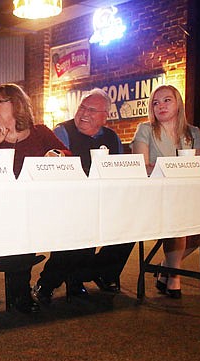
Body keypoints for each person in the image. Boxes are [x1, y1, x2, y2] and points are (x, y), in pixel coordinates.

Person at [0, 83, 71, 313]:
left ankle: (45, 282)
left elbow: (68, 156)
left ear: (17, 104)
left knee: (75, 229)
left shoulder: (40, 132)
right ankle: (19, 289)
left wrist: (55, 154)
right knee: (16, 222)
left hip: (40, 204)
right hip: (1, 207)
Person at [32, 88, 135, 304]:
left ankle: (92, 274)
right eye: (82, 107)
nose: (84, 113)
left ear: (104, 116)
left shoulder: (112, 137)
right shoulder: (63, 132)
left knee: (131, 227)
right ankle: (49, 281)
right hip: (68, 201)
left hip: (103, 200)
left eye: (92, 110)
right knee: (80, 227)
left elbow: (119, 171)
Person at [131, 84, 200, 298]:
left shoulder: (193, 133)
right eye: (155, 102)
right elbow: (142, 167)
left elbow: (199, 167)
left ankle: (166, 265)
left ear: (178, 103)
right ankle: (174, 276)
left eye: (166, 100)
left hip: (186, 193)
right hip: (155, 194)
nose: (160, 106)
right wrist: (172, 169)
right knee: (178, 220)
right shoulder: (145, 129)